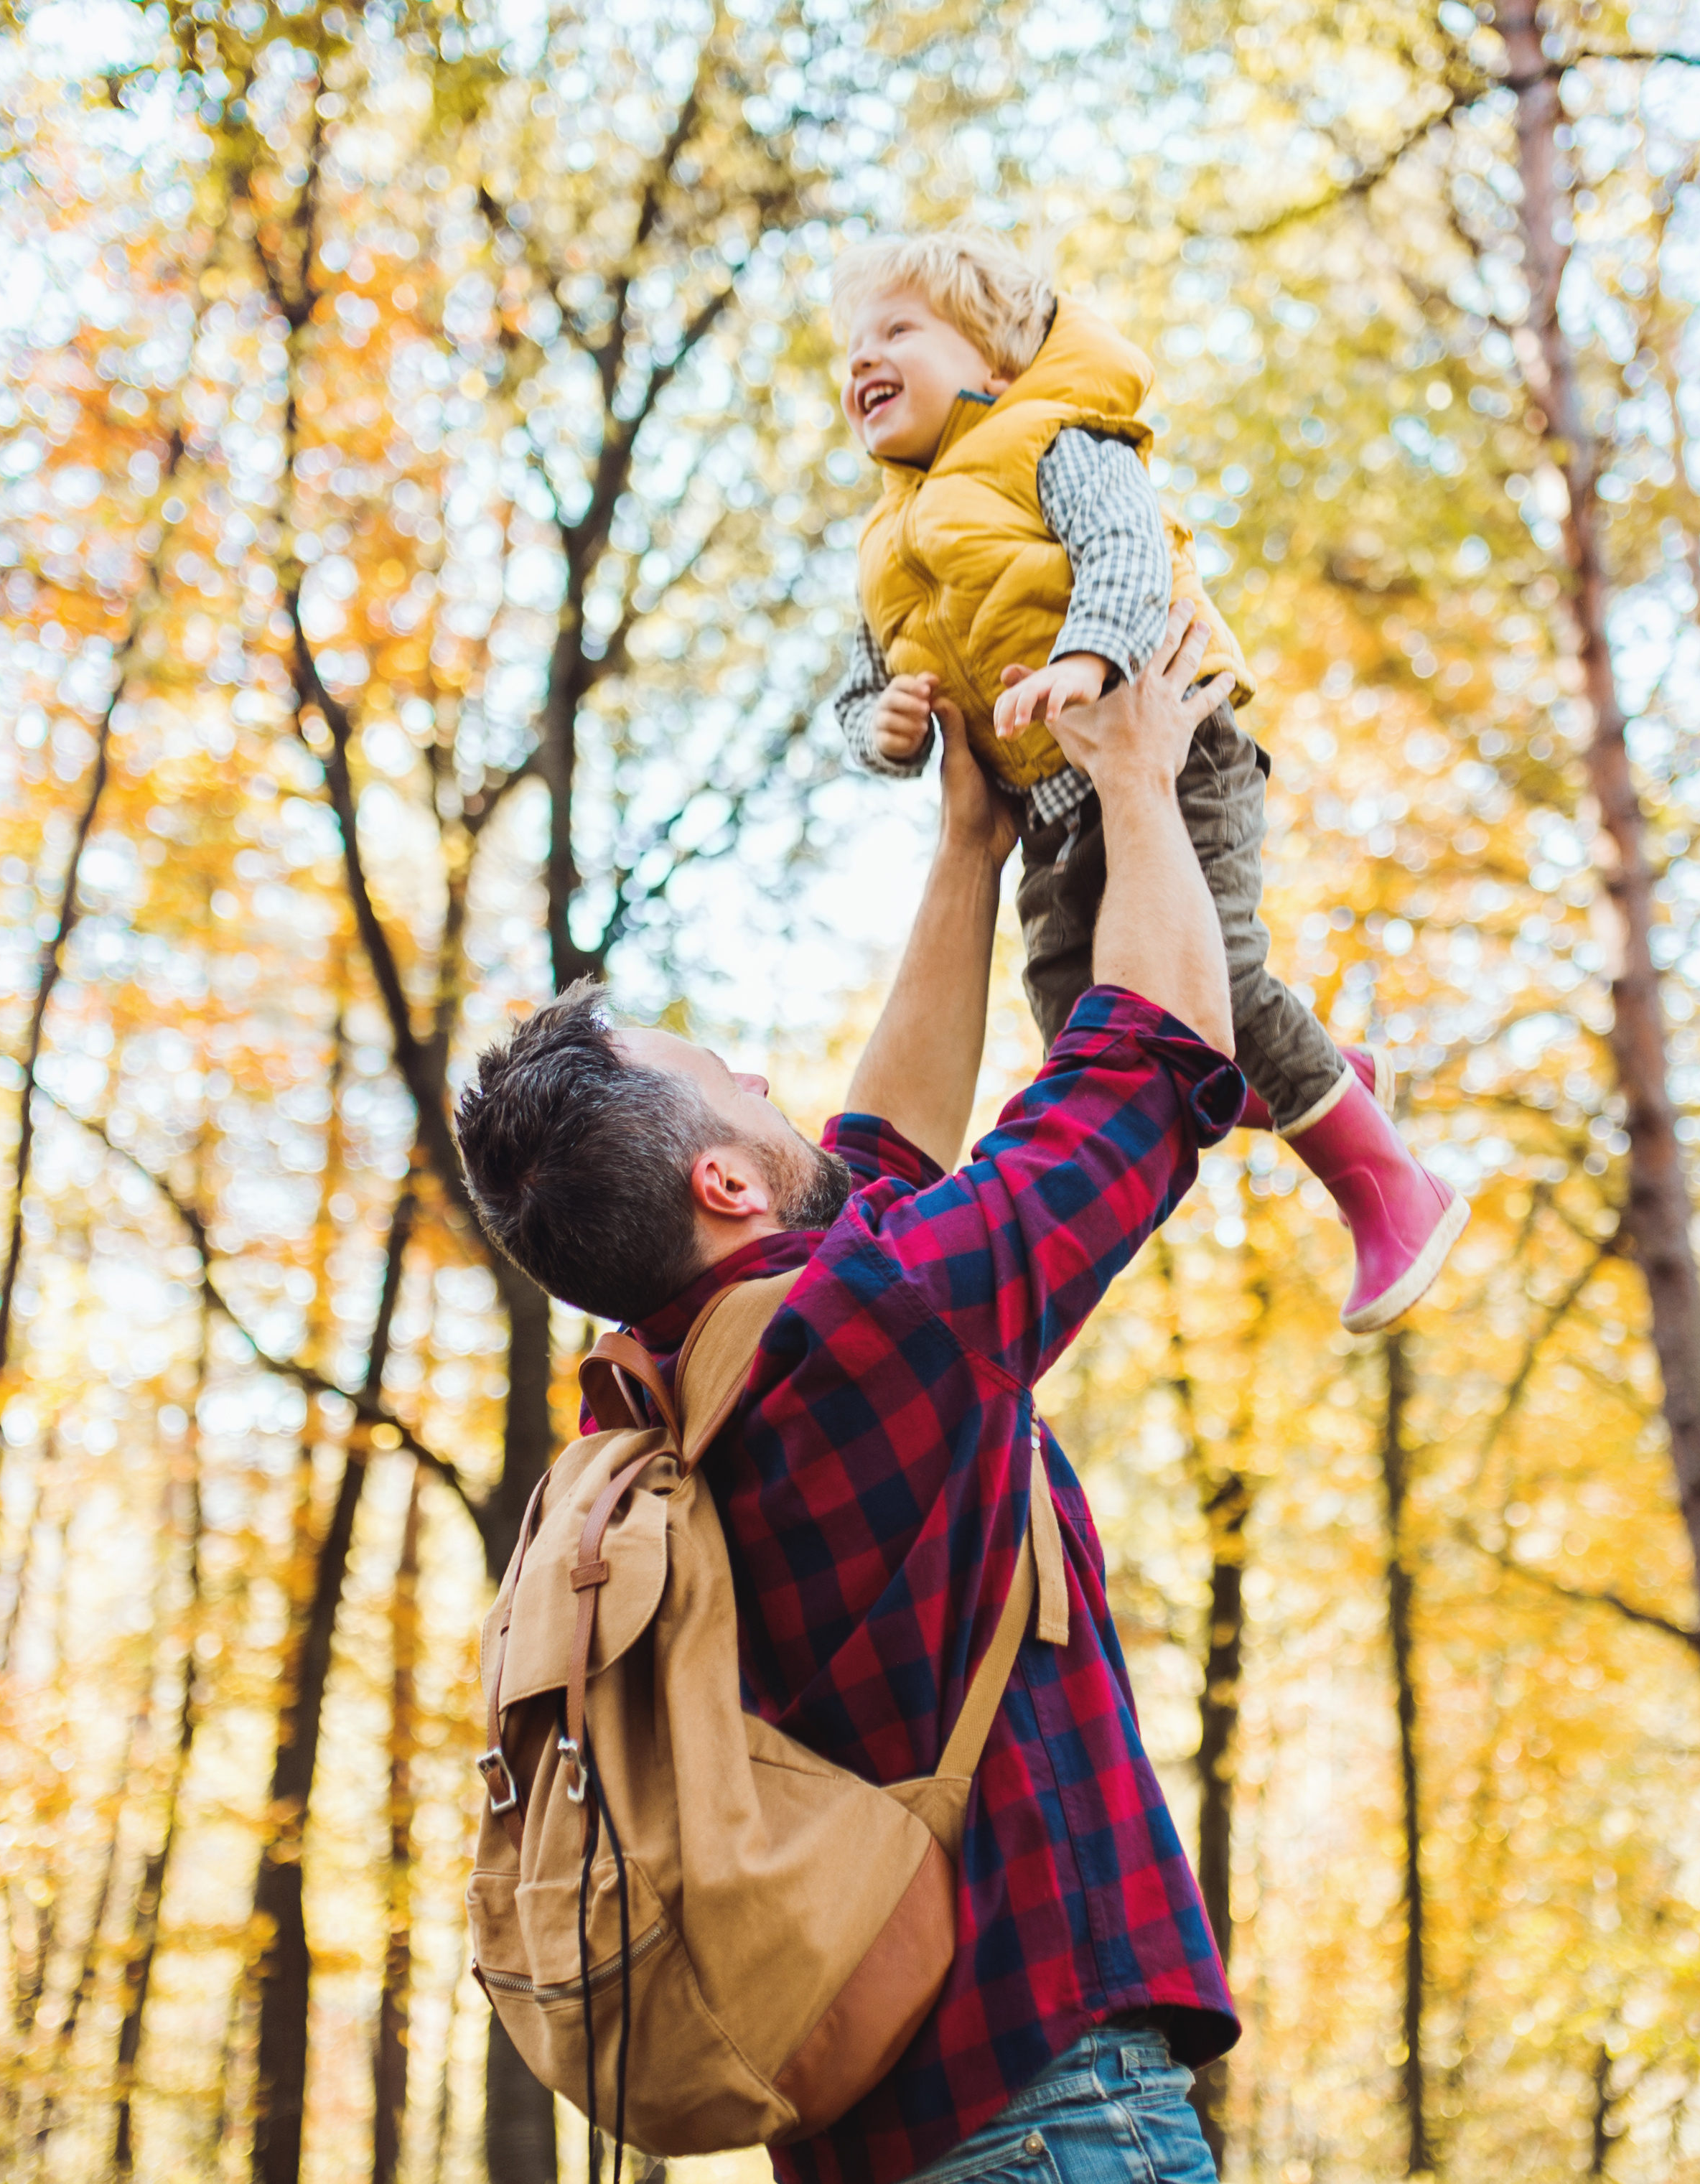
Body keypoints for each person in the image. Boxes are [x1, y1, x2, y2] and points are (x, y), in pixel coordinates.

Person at [454, 618, 1246, 2184]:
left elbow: (874, 1154)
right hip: (1055, 2117)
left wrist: (969, 848)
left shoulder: (661, 1402)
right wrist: (1139, 783)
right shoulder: (873, 1331)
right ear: (724, 1181)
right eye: (732, 1079)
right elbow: (1153, 1070)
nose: (765, 1081)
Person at [827, 225, 1464, 1332]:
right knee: (1083, 1028)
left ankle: (1390, 1186)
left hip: (1173, 745)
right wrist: (881, 732)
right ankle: (1315, 1071)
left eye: (897, 331)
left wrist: (1088, 657)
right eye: (851, 347)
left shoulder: (1053, 437)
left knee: (1216, 980)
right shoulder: (887, 543)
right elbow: (861, 683)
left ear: (995, 361)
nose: (863, 359)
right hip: (1050, 809)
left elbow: (1127, 549)